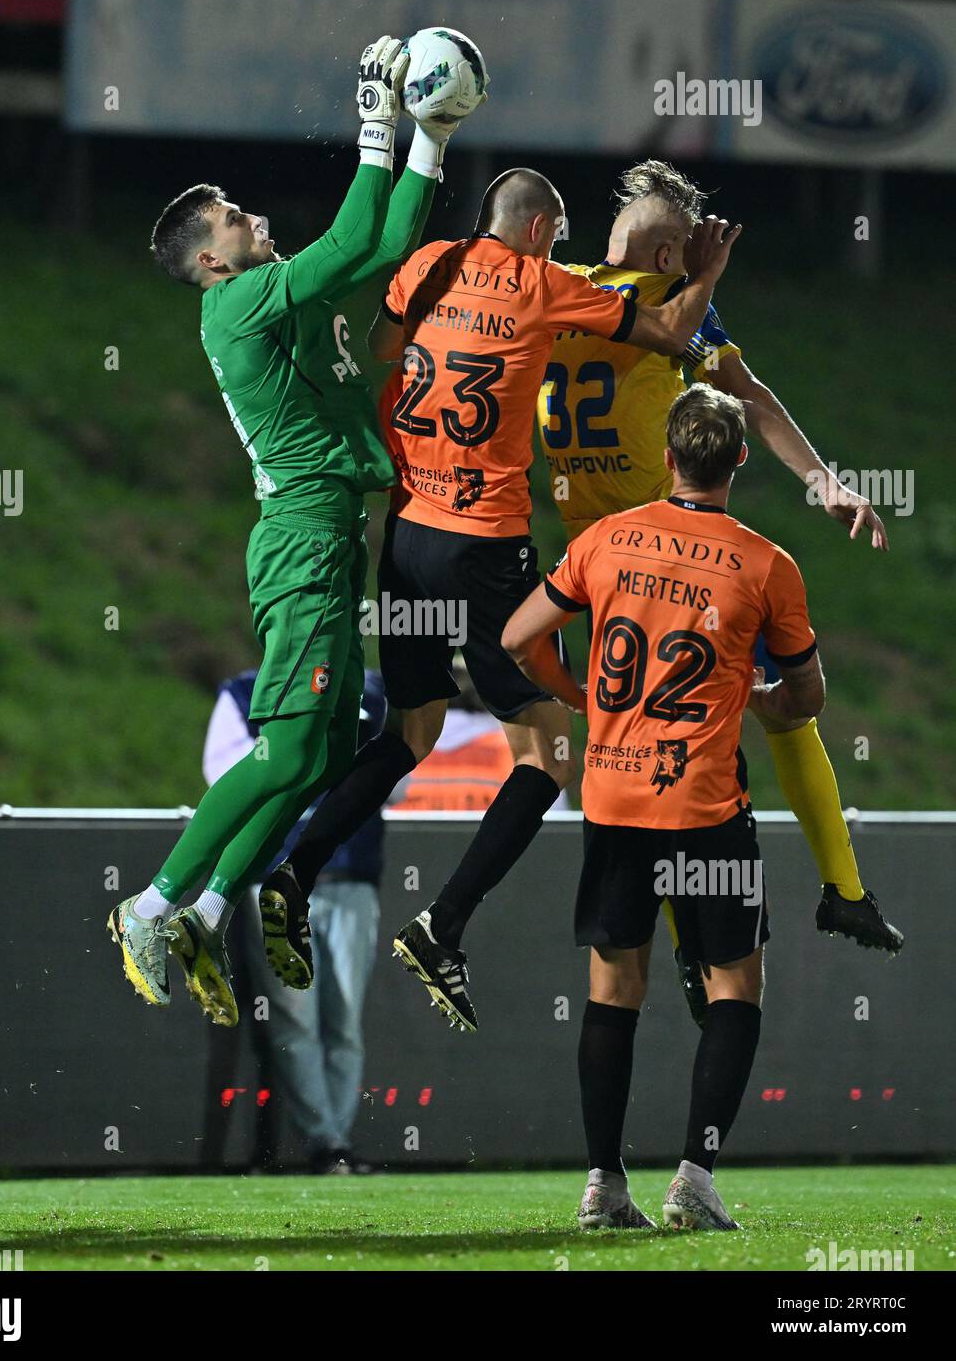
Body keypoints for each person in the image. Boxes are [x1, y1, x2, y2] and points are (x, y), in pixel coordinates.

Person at [260, 167, 742, 1033]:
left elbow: (381, 346)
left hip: (405, 536)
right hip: (485, 546)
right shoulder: (542, 284)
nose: (562, 250)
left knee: (408, 732)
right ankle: (443, 924)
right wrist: (705, 271)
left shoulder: (430, 265)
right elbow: (672, 331)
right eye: (556, 236)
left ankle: (296, 870)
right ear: (537, 231)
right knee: (550, 755)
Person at [107, 37, 475, 1023]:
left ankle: (212, 908)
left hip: (325, 531)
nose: (248, 214)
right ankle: (149, 905)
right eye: (231, 215)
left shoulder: (277, 297)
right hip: (303, 537)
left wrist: (428, 143)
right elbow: (357, 240)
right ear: (213, 260)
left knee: (315, 758)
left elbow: (381, 244)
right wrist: (375, 127)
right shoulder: (233, 309)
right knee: (282, 752)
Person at [536, 159, 902, 1023]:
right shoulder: (671, 306)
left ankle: (713, 944)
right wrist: (825, 483)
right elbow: (751, 394)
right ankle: (834, 890)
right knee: (781, 710)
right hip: (672, 564)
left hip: (604, 573)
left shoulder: (563, 284)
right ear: (674, 249)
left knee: (642, 765)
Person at [503, 383, 829, 1230]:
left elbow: (514, 637)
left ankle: (604, 1187)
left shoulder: (606, 539)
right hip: (704, 807)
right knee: (734, 985)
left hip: (613, 797)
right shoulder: (767, 565)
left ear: (667, 456)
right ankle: (695, 1177)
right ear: (740, 460)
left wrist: (573, 692)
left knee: (615, 987)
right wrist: (758, 701)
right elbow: (807, 698)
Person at [204, 671, 387, 1174]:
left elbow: (398, 777)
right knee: (297, 1019)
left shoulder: (369, 690)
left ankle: (336, 1142)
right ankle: (327, 1143)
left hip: (350, 876)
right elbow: (225, 777)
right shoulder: (245, 692)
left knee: (343, 1020)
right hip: (279, 876)